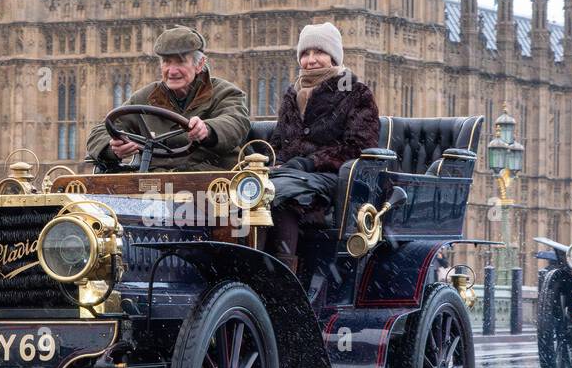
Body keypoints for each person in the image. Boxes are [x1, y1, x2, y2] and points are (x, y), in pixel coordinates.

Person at [266, 22, 381, 268]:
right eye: (305, 54)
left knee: (282, 195)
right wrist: (270, 162)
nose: (311, 60)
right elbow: (278, 141)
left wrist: (310, 162)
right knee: (249, 192)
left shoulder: (355, 93)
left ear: (334, 57)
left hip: (335, 178)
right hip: (293, 174)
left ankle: (283, 281)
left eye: (319, 52)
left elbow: (358, 147)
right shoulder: (292, 95)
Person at [85, 26, 250, 173]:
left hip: (212, 182)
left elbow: (236, 123)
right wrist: (112, 148)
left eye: (180, 62)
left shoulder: (225, 93)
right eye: (166, 62)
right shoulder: (144, 98)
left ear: (199, 64)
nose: (172, 71)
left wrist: (207, 130)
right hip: (155, 186)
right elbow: (100, 132)